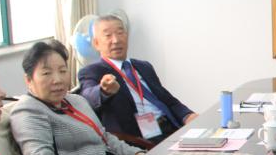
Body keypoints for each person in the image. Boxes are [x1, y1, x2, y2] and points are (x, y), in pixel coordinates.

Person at [11, 40, 144, 155]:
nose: (57, 80)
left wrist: (137, 154)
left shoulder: (76, 100)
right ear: (29, 80)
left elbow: (104, 137)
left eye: (62, 71)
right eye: (46, 73)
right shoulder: (28, 110)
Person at [78, 14, 196, 143]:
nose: (116, 40)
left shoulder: (144, 66)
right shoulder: (91, 72)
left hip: (172, 126)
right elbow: (87, 96)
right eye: (108, 35)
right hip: (140, 139)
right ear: (96, 43)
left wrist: (187, 115)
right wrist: (104, 91)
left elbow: (167, 99)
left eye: (120, 33)